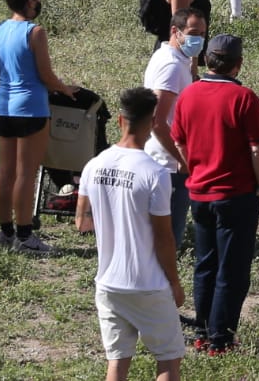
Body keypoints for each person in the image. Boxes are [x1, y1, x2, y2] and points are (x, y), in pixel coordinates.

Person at [171, 34, 259, 355]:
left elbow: (179, 144)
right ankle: (221, 340)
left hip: (200, 194)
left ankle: (202, 331)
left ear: (206, 61)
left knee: (205, 264)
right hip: (236, 195)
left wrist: (196, 171)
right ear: (238, 64)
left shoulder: (188, 95)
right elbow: (258, 149)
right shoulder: (245, 99)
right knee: (233, 270)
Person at [77, 88, 185, 381]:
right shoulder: (156, 174)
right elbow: (164, 237)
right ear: (152, 122)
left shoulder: (93, 165)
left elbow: (82, 223)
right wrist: (174, 283)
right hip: (148, 283)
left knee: (118, 361)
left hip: (109, 284)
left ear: (120, 120)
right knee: (168, 359)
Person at [0, 0, 77, 253]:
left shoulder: (0, 30)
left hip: (3, 105)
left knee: (5, 172)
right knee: (26, 174)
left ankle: (5, 232)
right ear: (30, 2)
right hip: (31, 108)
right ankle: (25, 236)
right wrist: (66, 89)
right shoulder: (35, 32)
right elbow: (46, 75)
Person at [143, 7, 208, 252]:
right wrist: (183, 158)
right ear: (175, 31)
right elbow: (158, 121)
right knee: (168, 240)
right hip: (169, 164)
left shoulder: (174, 59)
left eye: (202, 34)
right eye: (193, 32)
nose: (198, 39)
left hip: (169, 161)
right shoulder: (171, 66)